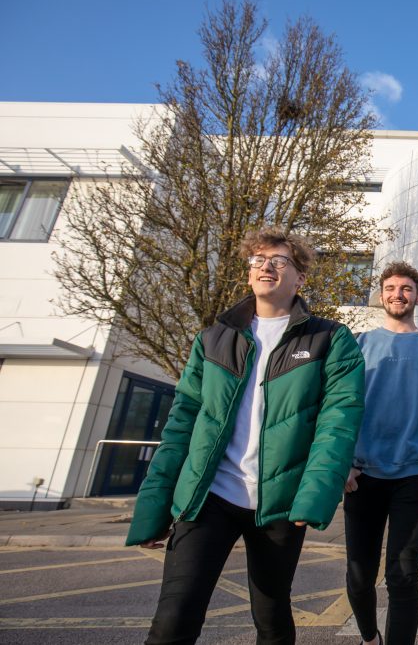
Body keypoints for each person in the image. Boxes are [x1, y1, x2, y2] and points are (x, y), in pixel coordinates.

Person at [126, 226, 365, 645]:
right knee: (173, 618)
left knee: (270, 614)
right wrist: (155, 506)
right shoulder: (213, 338)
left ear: (300, 277)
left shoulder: (330, 338)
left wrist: (315, 493)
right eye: (258, 260)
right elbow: (182, 422)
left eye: (278, 260)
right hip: (209, 495)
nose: (266, 267)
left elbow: (338, 421)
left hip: (279, 501)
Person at [344, 261, 418, 645]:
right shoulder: (357, 344)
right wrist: (341, 464)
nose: (398, 294)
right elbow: (340, 410)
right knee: (359, 575)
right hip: (362, 475)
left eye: (406, 288)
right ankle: (368, 637)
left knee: (402, 575)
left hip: (414, 476)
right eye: (391, 287)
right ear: (381, 295)